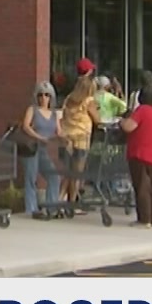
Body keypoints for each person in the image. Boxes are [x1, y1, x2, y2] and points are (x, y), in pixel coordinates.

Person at [121, 77, 152, 227]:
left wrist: (122, 121)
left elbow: (129, 127)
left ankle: (144, 219)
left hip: (140, 154)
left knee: (141, 187)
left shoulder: (141, 111)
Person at [20, 82, 62, 217]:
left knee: (54, 176)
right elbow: (26, 127)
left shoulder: (54, 114)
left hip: (43, 150)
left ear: (51, 97)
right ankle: (31, 209)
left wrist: (68, 138)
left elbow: (58, 132)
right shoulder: (32, 109)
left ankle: (51, 206)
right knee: (31, 178)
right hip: (32, 148)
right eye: (40, 95)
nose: (43, 98)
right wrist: (38, 137)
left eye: (47, 95)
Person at [58, 74, 99, 206]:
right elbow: (97, 119)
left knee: (67, 172)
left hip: (66, 138)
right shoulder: (88, 101)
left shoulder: (69, 99)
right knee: (77, 174)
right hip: (81, 139)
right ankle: (72, 203)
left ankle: (59, 199)